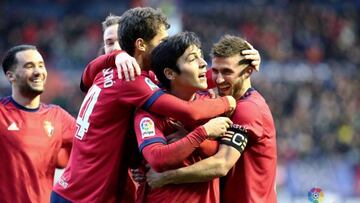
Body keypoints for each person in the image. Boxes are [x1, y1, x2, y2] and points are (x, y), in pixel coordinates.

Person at [52, 7, 235, 203]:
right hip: (85, 196)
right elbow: (189, 112)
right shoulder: (131, 80)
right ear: (141, 44)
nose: (165, 48)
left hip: (73, 188)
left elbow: (84, 79)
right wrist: (227, 101)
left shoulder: (109, 72)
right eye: (161, 42)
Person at [146, 35, 277, 203]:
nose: (219, 79)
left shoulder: (248, 109)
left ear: (248, 72)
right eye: (215, 71)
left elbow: (221, 164)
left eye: (227, 72)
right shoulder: (223, 104)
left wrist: (166, 177)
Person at [134, 31, 232, 203]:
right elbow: (158, 158)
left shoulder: (210, 102)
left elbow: (220, 155)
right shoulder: (149, 114)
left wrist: (191, 137)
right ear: (170, 73)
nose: (203, 64)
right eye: (192, 59)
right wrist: (202, 132)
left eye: (201, 56)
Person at [0, 45, 75, 203]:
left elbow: (92, 144)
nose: (38, 71)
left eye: (41, 65)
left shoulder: (58, 117)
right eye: (29, 66)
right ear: (10, 76)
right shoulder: (2, 113)